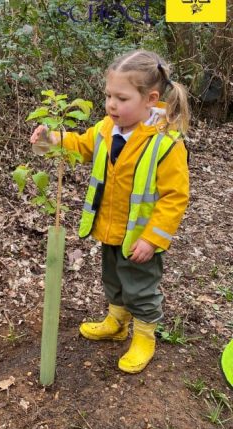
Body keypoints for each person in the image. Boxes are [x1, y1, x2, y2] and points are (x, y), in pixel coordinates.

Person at [30, 49, 190, 374]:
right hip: (109, 228)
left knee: (140, 288)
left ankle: (144, 336)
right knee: (113, 280)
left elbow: (175, 197)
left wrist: (153, 238)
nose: (111, 104)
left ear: (150, 99)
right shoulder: (106, 129)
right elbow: (81, 144)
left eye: (121, 97)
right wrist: (52, 139)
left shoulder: (165, 143)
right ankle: (117, 323)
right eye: (108, 96)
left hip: (140, 238)